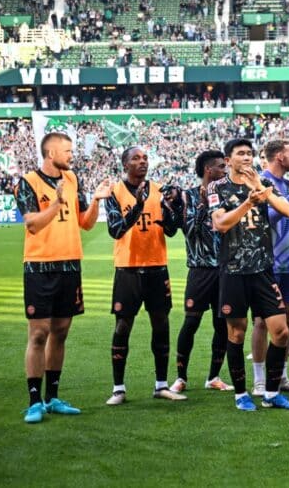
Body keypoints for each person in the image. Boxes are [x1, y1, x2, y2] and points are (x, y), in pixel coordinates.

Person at [15, 132, 112, 423]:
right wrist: (55, 204)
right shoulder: (27, 182)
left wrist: (96, 200)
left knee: (60, 332)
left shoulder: (72, 180)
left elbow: (85, 222)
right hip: (40, 265)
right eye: (67, 151)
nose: (72, 155)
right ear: (50, 153)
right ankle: (34, 402)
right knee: (39, 333)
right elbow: (32, 224)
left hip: (70, 265)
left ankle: (52, 397)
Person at [210, 138, 289, 412]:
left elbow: (287, 210)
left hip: (263, 270)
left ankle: (271, 393)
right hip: (234, 271)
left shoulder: (261, 182)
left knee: (282, 332)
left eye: (250, 153)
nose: (247, 158)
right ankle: (240, 394)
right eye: (240, 154)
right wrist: (249, 203)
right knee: (236, 333)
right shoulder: (218, 187)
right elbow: (221, 224)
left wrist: (260, 189)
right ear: (228, 160)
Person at [104, 146, 186, 405]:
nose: (142, 162)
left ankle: (161, 385)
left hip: (156, 266)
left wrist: (176, 209)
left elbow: (171, 231)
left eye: (145, 158)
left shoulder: (160, 190)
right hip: (127, 268)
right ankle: (118, 388)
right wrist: (137, 206)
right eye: (136, 159)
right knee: (122, 326)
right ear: (125, 164)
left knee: (161, 324)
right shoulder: (114, 193)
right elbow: (116, 230)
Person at [169, 150, 234, 394]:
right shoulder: (188, 196)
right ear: (208, 170)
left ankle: (214, 376)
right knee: (191, 322)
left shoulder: (228, 194)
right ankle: (181, 377)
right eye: (220, 166)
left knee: (222, 325)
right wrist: (204, 206)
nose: (224, 170)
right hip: (199, 269)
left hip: (225, 269)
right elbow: (189, 231)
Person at [251, 139, 289, 396]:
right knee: (263, 321)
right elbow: (268, 218)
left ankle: (282, 375)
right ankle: (259, 379)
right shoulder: (261, 183)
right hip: (267, 261)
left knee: (287, 318)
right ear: (278, 157)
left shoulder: (287, 184)